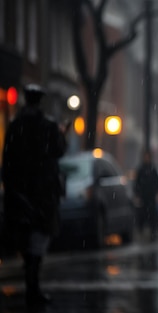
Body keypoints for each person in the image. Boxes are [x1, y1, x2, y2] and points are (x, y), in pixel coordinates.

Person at [2, 84, 67, 309]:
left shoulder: (14, 126)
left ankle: (32, 284)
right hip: (42, 196)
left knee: (26, 240)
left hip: (20, 196)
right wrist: (61, 135)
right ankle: (33, 285)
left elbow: (7, 162)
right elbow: (58, 151)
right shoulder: (47, 127)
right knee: (37, 242)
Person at [133, 150, 158, 241]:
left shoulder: (153, 169)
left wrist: (157, 193)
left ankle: (153, 233)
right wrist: (137, 195)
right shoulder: (141, 169)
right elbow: (137, 183)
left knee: (152, 216)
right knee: (142, 215)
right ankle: (141, 231)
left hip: (151, 197)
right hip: (143, 197)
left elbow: (157, 183)